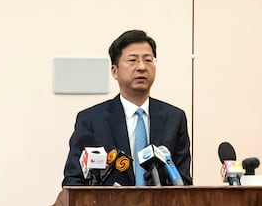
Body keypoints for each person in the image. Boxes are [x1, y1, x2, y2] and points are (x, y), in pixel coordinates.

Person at [61, 29, 192, 187]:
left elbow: (183, 183)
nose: (142, 67)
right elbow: (74, 181)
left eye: (148, 60)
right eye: (133, 60)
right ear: (114, 71)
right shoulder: (92, 120)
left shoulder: (174, 119)